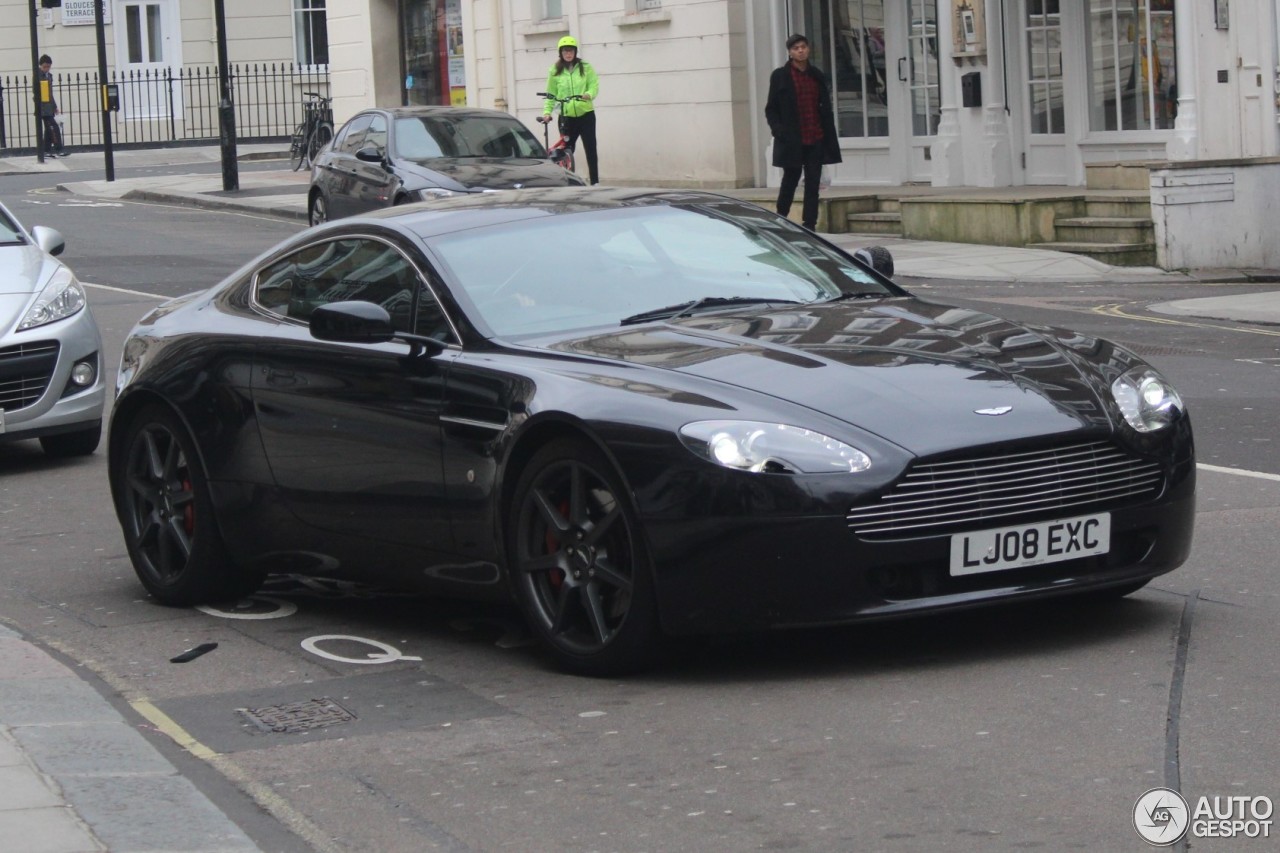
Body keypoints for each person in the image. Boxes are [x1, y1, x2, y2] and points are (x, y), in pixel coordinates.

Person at [764, 34, 841, 231]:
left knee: (813, 183)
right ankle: (781, 218)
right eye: (796, 48)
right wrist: (779, 131)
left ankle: (810, 224)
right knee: (790, 180)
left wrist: (826, 134)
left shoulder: (816, 75)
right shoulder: (780, 76)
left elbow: (824, 106)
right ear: (790, 52)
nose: (800, 50)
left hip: (815, 136)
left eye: (803, 47)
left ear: (808, 49)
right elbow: (771, 108)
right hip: (792, 139)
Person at [538, 36, 600, 185]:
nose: (568, 53)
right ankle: (565, 180)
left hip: (586, 115)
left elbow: (594, 85)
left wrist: (589, 95)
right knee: (566, 150)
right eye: (565, 51)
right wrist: (547, 112)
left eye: (571, 50)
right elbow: (551, 94)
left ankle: (595, 182)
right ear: (560, 52)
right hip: (566, 116)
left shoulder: (585, 67)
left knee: (590, 148)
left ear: (575, 51)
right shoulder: (554, 71)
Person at [37, 54, 66, 158]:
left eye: (48, 67)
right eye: (44, 66)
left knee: (48, 129)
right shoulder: (38, 76)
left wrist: (55, 107)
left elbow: (50, 93)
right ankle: (59, 149)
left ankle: (46, 151)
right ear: (40, 65)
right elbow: (37, 92)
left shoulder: (49, 76)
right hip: (42, 108)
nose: (46, 69)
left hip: (49, 107)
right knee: (54, 127)